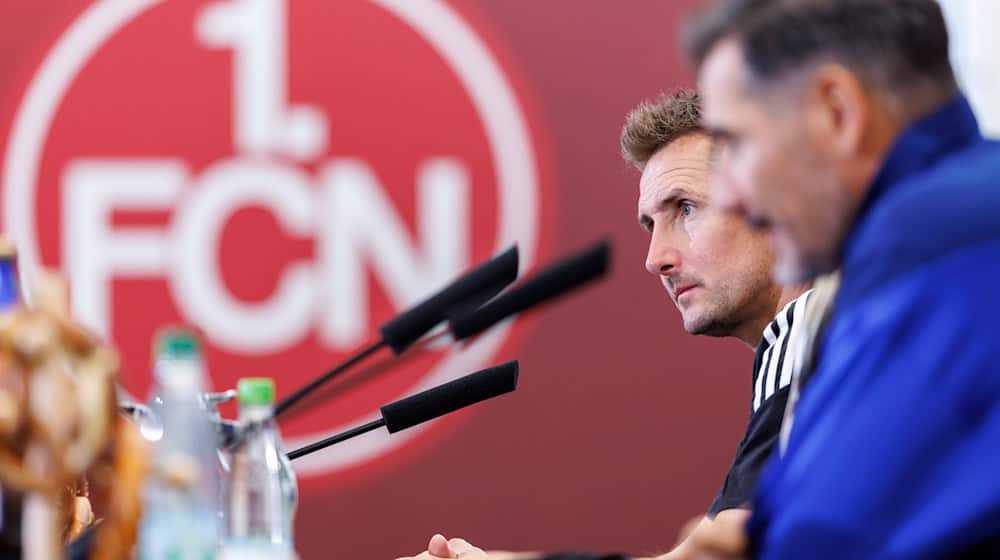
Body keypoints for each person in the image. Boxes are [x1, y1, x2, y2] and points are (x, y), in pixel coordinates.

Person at [394, 90, 811, 560]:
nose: (655, 260)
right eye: (649, 226)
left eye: (686, 209)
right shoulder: (818, 344)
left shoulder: (811, 333)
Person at [683, 0, 1000, 558]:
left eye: (736, 145)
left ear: (838, 112)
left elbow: (815, 539)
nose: (729, 196)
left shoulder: (925, 246)